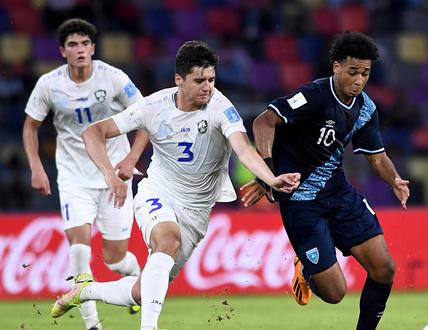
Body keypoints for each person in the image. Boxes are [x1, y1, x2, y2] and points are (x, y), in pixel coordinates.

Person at [50, 40, 301, 330]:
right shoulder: (153, 106)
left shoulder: (221, 108)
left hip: (196, 211)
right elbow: (94, 132)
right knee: (168, 239)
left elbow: (244, 150)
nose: (208, 87)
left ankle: (85, 291)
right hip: (158, 191)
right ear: (178, 80)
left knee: (142, 293)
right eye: (199, 81)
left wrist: (270, 178)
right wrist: (109, 173)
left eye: (212, 79)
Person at [241, 31, 410, 330]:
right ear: (336, 67)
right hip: (302, 204)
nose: (359, 80)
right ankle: (306, 270)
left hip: (339, 195)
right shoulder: (314, 95)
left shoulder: (366, 109)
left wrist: (395, 180)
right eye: (353, 72)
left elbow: (377, 158)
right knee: (335, 294)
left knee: (385, 269)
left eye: (366, 73)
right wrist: (267, 174)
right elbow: (264, 122)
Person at [22, 18, 147, 330]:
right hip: (74, 178)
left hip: (116, 178)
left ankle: (135, 280)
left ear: (93, 47)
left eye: (85, 44)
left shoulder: (114, 78)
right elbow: (30, 126)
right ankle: (93, 326)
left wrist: (132, 157)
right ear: (63, 51)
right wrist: (36, 166)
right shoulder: (49, 84)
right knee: (78, 248)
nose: (80, 50)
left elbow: (147, 116)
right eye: (73, 45)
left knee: (115, 259)